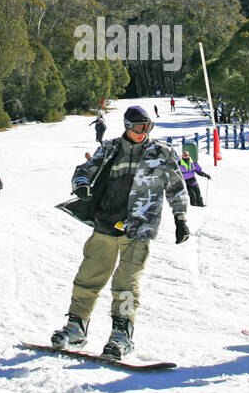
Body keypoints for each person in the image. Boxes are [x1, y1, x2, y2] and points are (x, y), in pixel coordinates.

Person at [50, 105, 190, 359]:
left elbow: (176, 186)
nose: (143, 132)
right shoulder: (110, 148)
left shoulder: (161, 152)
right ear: (127, 126)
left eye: (148, 127)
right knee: (89, 275)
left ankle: (121, 333)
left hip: (140, 226)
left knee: (126, 282)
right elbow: (86, 169)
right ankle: (76, 326)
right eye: (139, 127)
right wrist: (81, 186)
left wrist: (181, 219)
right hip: (106, 221)